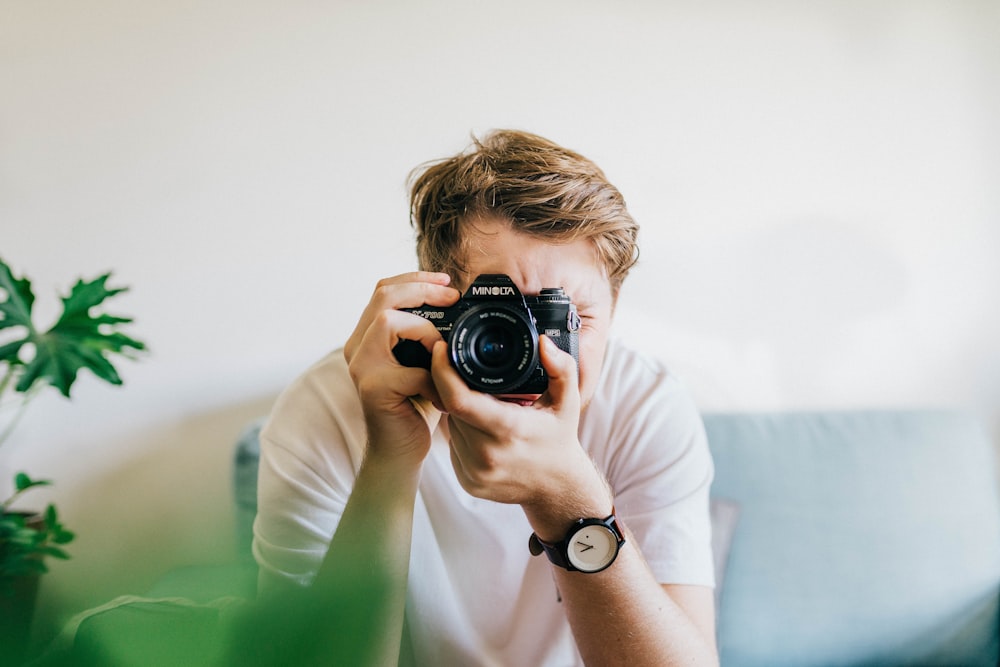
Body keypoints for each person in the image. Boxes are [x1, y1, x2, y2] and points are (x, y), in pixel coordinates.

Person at [252, 130, 718, 666]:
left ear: (613, 314)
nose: (536, 352)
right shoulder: (329, 408)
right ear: (437, 303)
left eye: (566, 319)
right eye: (503, 317)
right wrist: (390, 458)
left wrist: (569, 499)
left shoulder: (645, 407)